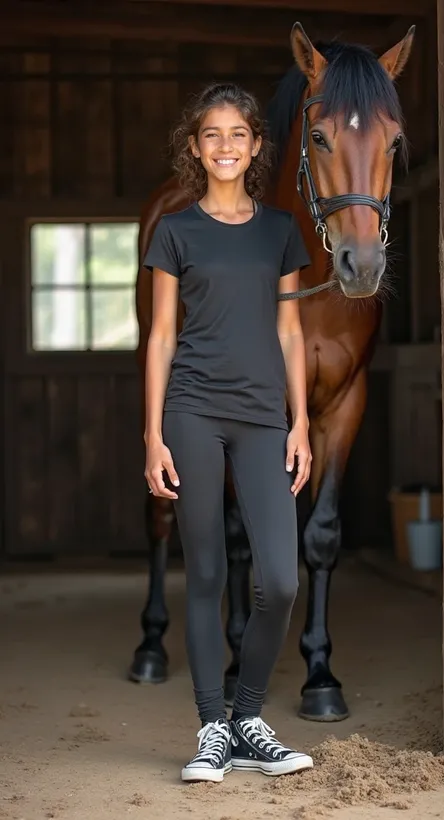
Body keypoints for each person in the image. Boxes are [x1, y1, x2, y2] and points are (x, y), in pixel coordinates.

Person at [143, 82, 314, 784]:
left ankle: (248, 719)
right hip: (191, 412)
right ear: (195, 147)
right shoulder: (175, 231)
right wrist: (152, 435)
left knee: (280, 577)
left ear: (254, 146)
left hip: (262, 417)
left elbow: (291, 330)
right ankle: (212, 725)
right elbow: (160, 337)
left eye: (237, 133)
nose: (224, 145)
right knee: (209, 571)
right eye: (211, 134)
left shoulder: (280, 231)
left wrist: (301, 419)